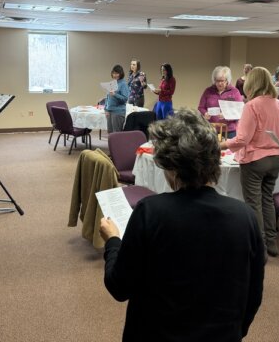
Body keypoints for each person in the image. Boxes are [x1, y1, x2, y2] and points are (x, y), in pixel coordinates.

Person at [99, 109, 265, 342]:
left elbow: (119, 286)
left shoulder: (150, 211)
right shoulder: (245, 217)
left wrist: (113, 241)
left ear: (171, 167)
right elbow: (253, 294)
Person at [220, 67, 279, 258]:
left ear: (252, 83)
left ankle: (259, 247)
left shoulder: (252, 105)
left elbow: (242, 139)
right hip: (275, 159)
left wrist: (221, 145)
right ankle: (271, 242)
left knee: (253, 204)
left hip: (255, 161)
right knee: (267, 200)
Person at [198, 66, 243, 138]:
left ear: (227, 80)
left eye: (222, 81)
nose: (219, 83)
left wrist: (226, 114)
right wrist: (205, 113)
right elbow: (201, 107)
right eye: (217, 81)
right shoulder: (208, 91)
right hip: (211, 129)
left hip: (229, 130)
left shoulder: (234, 92)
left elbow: (239, 110)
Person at [105, 64, 129, 133]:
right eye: (113, 73)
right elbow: (107, 97)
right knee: (110, 133)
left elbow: (125, 99)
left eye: (117, 73)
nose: (115, 75)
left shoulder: (123, 84)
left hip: (118, 112)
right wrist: (106, 109)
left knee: (116, 134)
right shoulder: (112, 83)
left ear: (120, 74)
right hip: (110, 111)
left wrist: (115, 94)